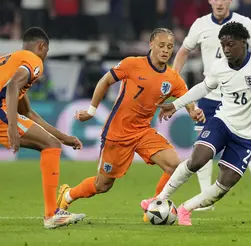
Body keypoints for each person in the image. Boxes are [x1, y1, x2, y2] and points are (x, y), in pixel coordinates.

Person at [141, 22, 251, 225]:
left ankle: (186, 209)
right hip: (222, 122)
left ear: (243, 43)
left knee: (225, 184)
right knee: (197, 160)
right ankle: (159, 199)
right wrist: (176, 105)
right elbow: (204, 87)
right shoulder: (219, 66)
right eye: (223, 45)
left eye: (231, 44)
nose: (226, 49)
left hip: (246, 136)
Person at [56, 28, 205, 219]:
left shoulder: (172, 78)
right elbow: (104, 81)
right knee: (103, 185)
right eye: (161, 45)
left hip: (143, 132)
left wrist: (194, 112)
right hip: (117, 133)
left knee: (174, 165)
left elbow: (187, 98)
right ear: (151, 45)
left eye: (169, 46)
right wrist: (91, 111)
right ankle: (68, 195)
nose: (166, 50)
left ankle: (154, 204)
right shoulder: (132, 64)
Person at [172, 0, 251, 212]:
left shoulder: (244, 23)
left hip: (239, 95)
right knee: (202, 149)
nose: (219, 3)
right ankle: (204, 201)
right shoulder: (200, 25)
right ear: (209, 0)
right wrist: (173, 80)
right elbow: (182, 53)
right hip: (209, 95)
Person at [0, 27, 85, 229]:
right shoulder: (33, 60)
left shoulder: (11, 61)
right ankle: (51, 214)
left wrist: (64, 138)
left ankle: (52, 213)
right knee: (50, 145)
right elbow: (12, 87)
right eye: (46, 52)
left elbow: (28, 113)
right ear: (42, 46)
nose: (44, 57)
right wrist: (12, 125)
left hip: (4, 108)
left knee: (52, 143)